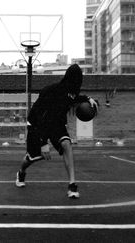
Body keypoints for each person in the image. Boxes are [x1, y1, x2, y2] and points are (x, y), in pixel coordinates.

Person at [15, 64, 98, 198]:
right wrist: (43, 143)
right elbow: (41, 117)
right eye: (75, 79)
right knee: (34, 156)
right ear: (69, 78)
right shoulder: (52, 91)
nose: (77, 82)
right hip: (36, 124)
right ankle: (21, 172)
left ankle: (72, 185)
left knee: (67, 144)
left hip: (56, 123)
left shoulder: (73, 92)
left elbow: (74, 98)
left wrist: (88, 99)